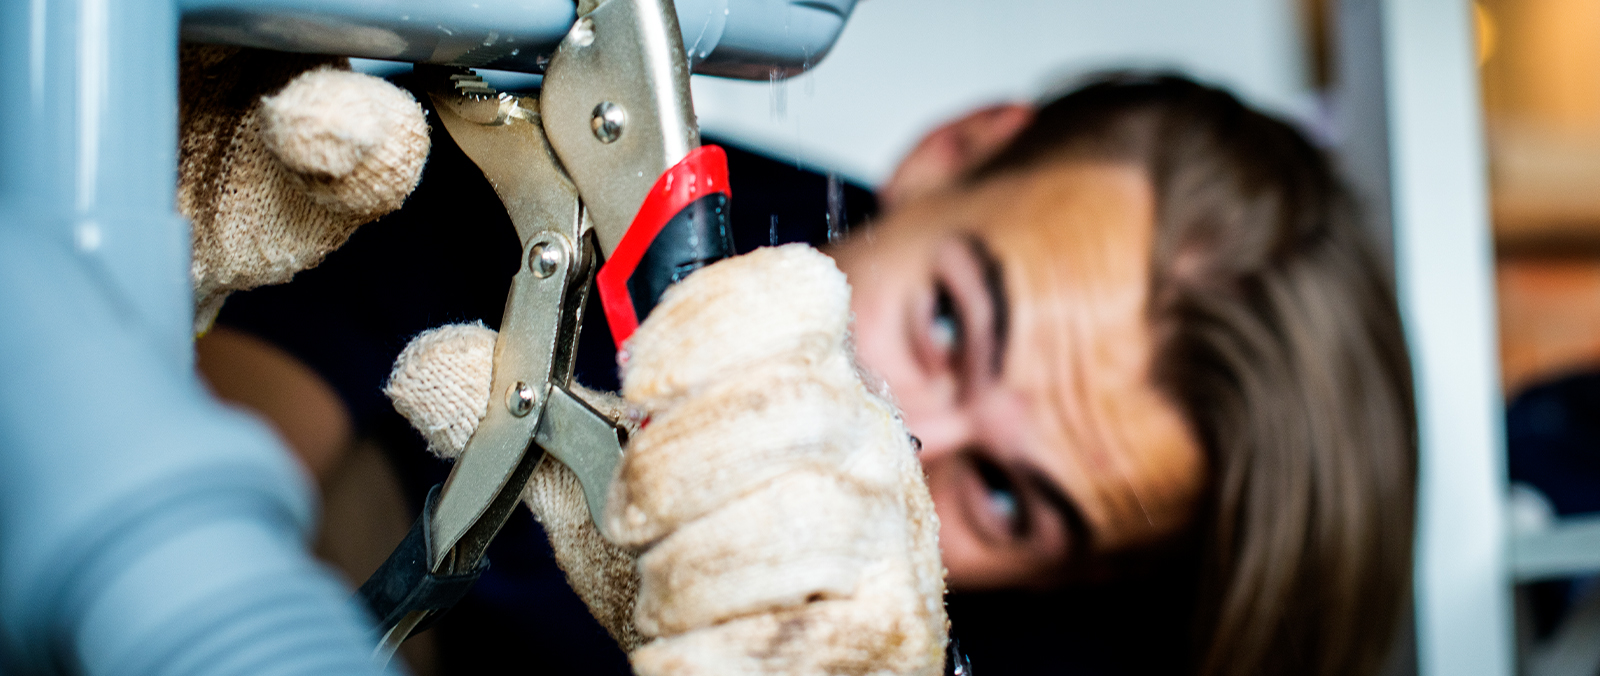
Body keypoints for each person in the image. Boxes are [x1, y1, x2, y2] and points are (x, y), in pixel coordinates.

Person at [203, 73, 1418, 676]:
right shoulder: (550, 186)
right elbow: (221, 452)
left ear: (1077, 584)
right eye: (947, 323)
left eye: (1008, 497)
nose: (890, 430)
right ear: (953, 155)